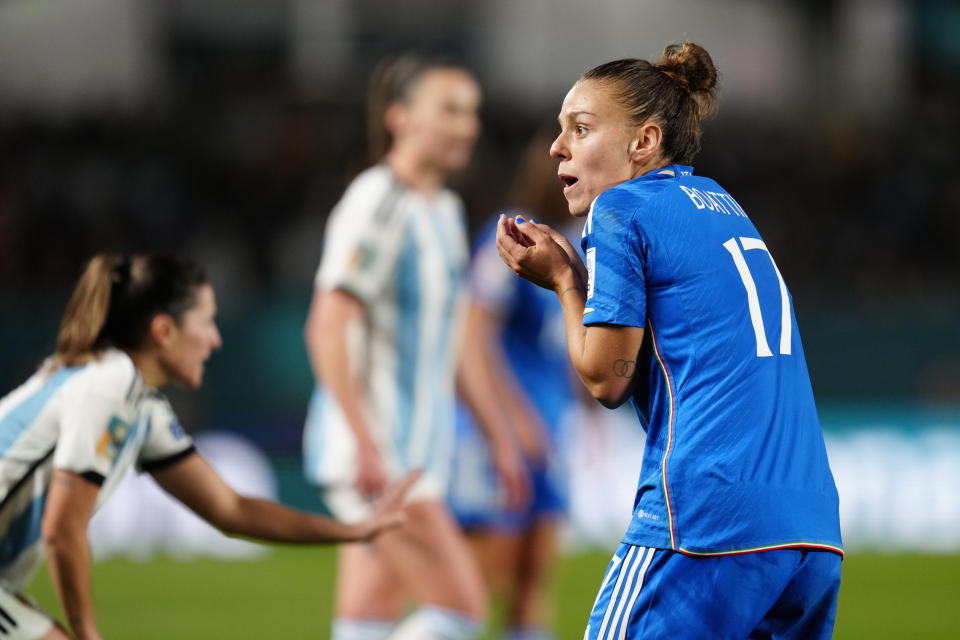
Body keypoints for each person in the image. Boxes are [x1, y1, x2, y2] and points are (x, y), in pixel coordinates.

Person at [496, 43, 843, 639]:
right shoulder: (726, 207)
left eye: (580, 128)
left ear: (644, 142)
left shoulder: (620, 208)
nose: (558, 147)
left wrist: (561, 281)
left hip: (706, 520)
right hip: (810, 528)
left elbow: (607, 378)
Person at [0, 254, 415, 640]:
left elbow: (232, 510)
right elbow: (61, 530)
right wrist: (87, 633)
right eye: (206, 322)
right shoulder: (108, 387)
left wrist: (355, 530)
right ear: (164, 331)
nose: (215, 340)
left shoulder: (138, 407)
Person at [303, 55, 525, 640]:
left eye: (472, 112)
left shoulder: (445, 212)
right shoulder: (377, 202)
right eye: (449, 110)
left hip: (417, 456)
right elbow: (326, 327)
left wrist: (499, 436)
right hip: (380, 457)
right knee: (461, 612)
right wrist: (364, 441)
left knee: (366, 622)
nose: (467, 126)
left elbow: (455, 346)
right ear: (399, 117)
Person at [448, 125, 578, 640]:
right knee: (475, 590)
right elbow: (471, 341)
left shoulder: (578, 246)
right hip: (499, 437)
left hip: (551, 435)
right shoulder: (511, 235)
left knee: (533, 585)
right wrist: (513, 423)